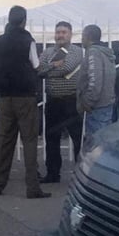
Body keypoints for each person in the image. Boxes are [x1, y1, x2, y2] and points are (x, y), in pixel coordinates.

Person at [0, 6, 51, 199]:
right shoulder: (27, 40)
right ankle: (32, 187)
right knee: (30, 141)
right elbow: (37, 66)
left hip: (5, 97)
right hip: (25, 96)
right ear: (24, 21)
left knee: (4, 142)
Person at [38, 21, 83, 183]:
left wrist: (48, 69)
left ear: (70, 34)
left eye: (64, 32)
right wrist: (53, 65)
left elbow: (67, 68)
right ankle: (52, 173)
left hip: (71, 102)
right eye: (58, 32)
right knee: (51, 139)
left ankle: (80, 174)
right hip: (53, 102)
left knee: (77, 139)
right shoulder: (48, 51)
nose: (60, 35)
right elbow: (38, 70)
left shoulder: (77, 51)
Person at [77, 24, 116, 138]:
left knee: (96, 145)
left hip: (97, 107)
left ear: (88, 37)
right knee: (103, 142)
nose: (81, 39)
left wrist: (88, 102)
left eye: (83, 36)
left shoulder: (93, 52)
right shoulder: (105, 52)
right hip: (105, 104)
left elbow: (95, 79)